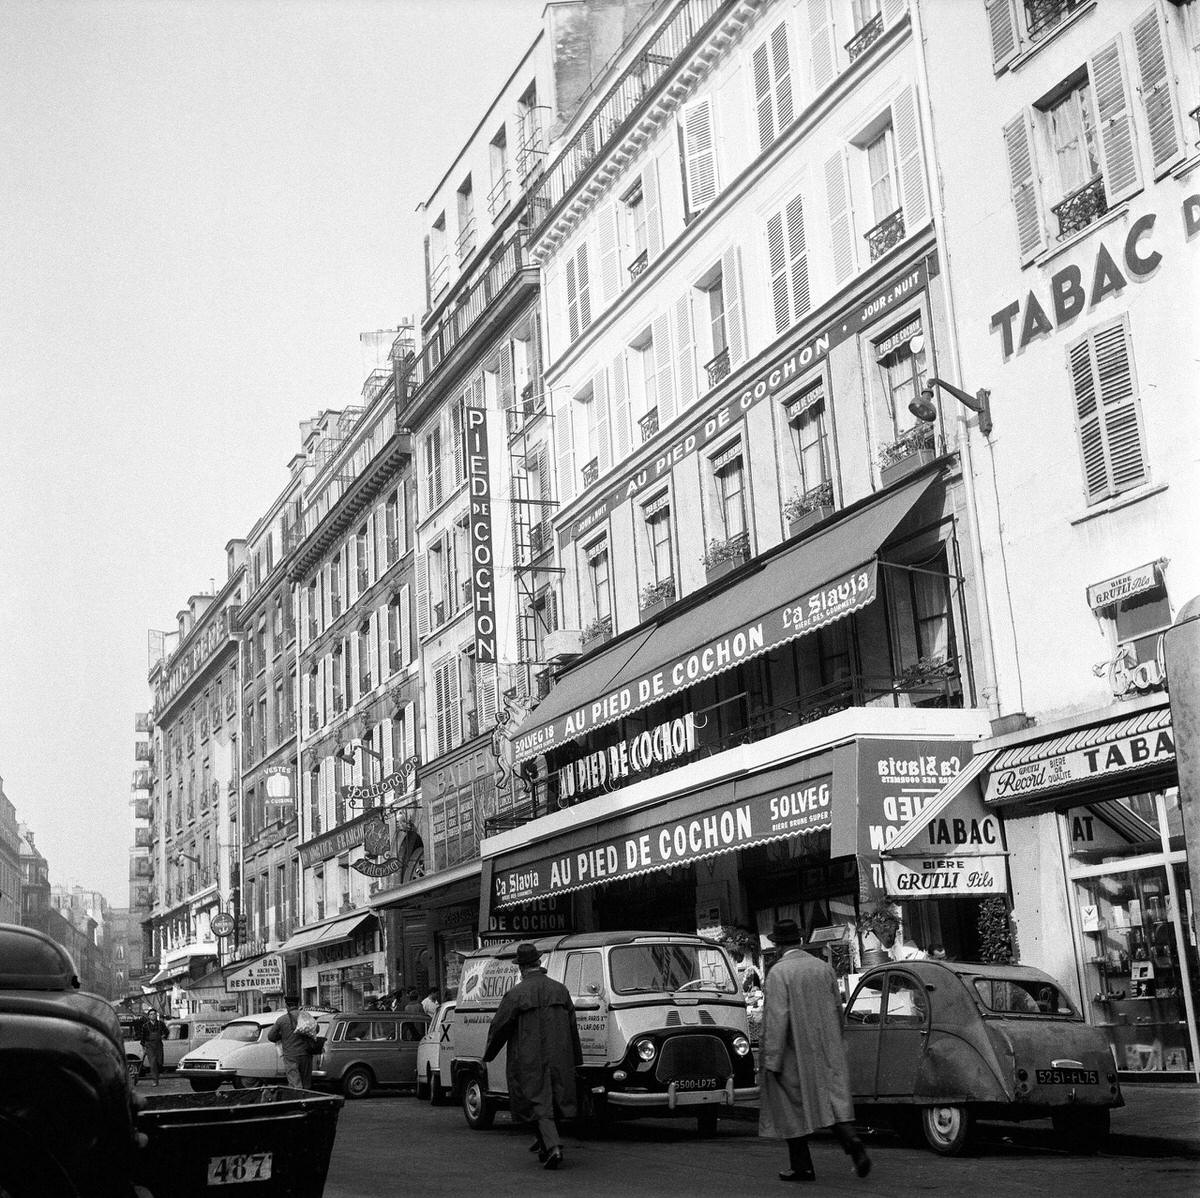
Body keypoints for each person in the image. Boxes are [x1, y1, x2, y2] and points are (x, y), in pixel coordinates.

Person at [758, 919, 871, 1184]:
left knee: (790, 1108)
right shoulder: (823, 968)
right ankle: (853, 1142)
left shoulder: (779, 973)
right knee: (829, 1102)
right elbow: (837, 1009)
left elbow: (776, 1019)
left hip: (793, 1052)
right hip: (825, 1047)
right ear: (799, 941)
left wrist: (771, 1060)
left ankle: (802, 1166)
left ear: (777, 946)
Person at [483, 943, 582, 1171]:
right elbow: (572, 1026)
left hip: (529, 1056)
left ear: (521, 968)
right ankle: (543, 1141)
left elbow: (500, 1026)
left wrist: (488, 1054)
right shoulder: (560, 990)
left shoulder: (516, 994)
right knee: (554, 1098)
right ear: (539, 963)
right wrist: (575, 1058)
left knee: (537, 1101)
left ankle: (554, 1146)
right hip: (560, 1055)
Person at [267, 995, 319, 1089]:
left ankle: (297, 1100)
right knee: (306, 1082)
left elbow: (271, 1036)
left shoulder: (282, 1020)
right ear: (298, 1004)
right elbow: (316, 1029)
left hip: (291, 1055)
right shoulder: (306, 1016)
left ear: (287, 1006)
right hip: (306, 1054)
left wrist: (282, 1035)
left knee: (295, 1082)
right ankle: (306, 1100)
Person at [139, 1008, 165, 1087]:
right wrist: (143, 1049)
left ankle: (157, 1074)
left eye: (154, 1014)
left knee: (159, 1062)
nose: (152, 1015)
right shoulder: (145, 1026)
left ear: (156, 1015)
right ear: (148, 1016)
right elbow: (142, 1038)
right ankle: (155, 1080)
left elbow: (166, 1032)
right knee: (153, 1063)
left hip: (159, 1045)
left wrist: (163, 1036)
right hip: (150, 1046)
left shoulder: (161, 1024)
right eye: (151, 1014)